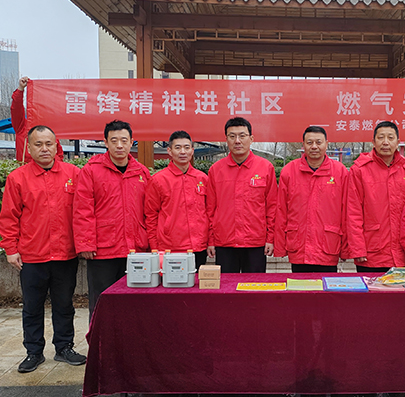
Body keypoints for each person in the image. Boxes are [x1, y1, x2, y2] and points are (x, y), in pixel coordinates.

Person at [0, 125, 86, 373]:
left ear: (57, 146)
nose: (44, 149)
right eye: (38, 144)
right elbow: (9, 217)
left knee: (64, 304)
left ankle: (64, 347)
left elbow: (84, 212)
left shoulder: (73, 174)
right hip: (32, 255)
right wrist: (10, 248)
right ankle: (34, 352)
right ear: (30, 147)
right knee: (32, 307)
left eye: (49, 144)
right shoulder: (18, 178)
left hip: (65, 254)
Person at [73, 120, 150, 317]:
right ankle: (100, 338)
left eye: (124, 140)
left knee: (134, 303)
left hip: (135, 249)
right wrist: (86, 243)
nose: (119, 145)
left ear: (131, 142)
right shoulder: (91, 170)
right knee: (102, 302)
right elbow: (83, 209)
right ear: (106, 142)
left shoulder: (141, 172)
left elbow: (150, 211)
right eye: (114, 141)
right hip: (103, 250)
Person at [346, 121, 405, 272]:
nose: (386, 142)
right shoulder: (360, 170)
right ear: (373, 142)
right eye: (381, 137)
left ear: (398, 142)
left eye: (390, 138)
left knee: (400, 287)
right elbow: (353, 211)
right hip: (371, 252)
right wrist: (358, 248)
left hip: (402, 251)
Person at [206, 117, 278, 273]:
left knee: (255, 287)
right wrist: (211, 240)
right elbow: (210, 209)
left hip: (255, 242)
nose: (237, 141)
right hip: (225, 242)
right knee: (226, 286)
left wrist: (270, 238)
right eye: (232, 136)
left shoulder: (265, 168)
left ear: (251, 139)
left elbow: (272, 207)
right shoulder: (216, 170)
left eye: (242, 136)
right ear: (226, 139)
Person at [274, 126, 349, 272]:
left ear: (326, 144)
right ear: (303, 145)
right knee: (299, 286)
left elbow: (346, 212)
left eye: (318, 142)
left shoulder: (340, 172)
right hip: (299, 246)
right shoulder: (289, 171)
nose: (314, 146)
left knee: (327, 286)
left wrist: (346, 249)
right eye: (309, 142)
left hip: (328, 246)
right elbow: (281, 210)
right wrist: (279, 247)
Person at [144, 130, 209, 271]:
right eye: (178, 147)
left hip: (198, 247)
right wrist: (154, 247)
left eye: (187, 147)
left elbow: (209, 212)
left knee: (197, 283)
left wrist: (210, 242)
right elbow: (151, 216)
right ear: (170, 151)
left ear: (192, 150)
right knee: (172, 284)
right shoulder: (158, 180)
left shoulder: (202, 179)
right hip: (170, 248)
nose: (183, 152)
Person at [10, 77, 64, 163]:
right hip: (26, 169)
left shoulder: (51, 132)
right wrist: (20, 89)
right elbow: (16, 109)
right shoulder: (22, 127)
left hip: (49, 170)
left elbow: (59, 156)